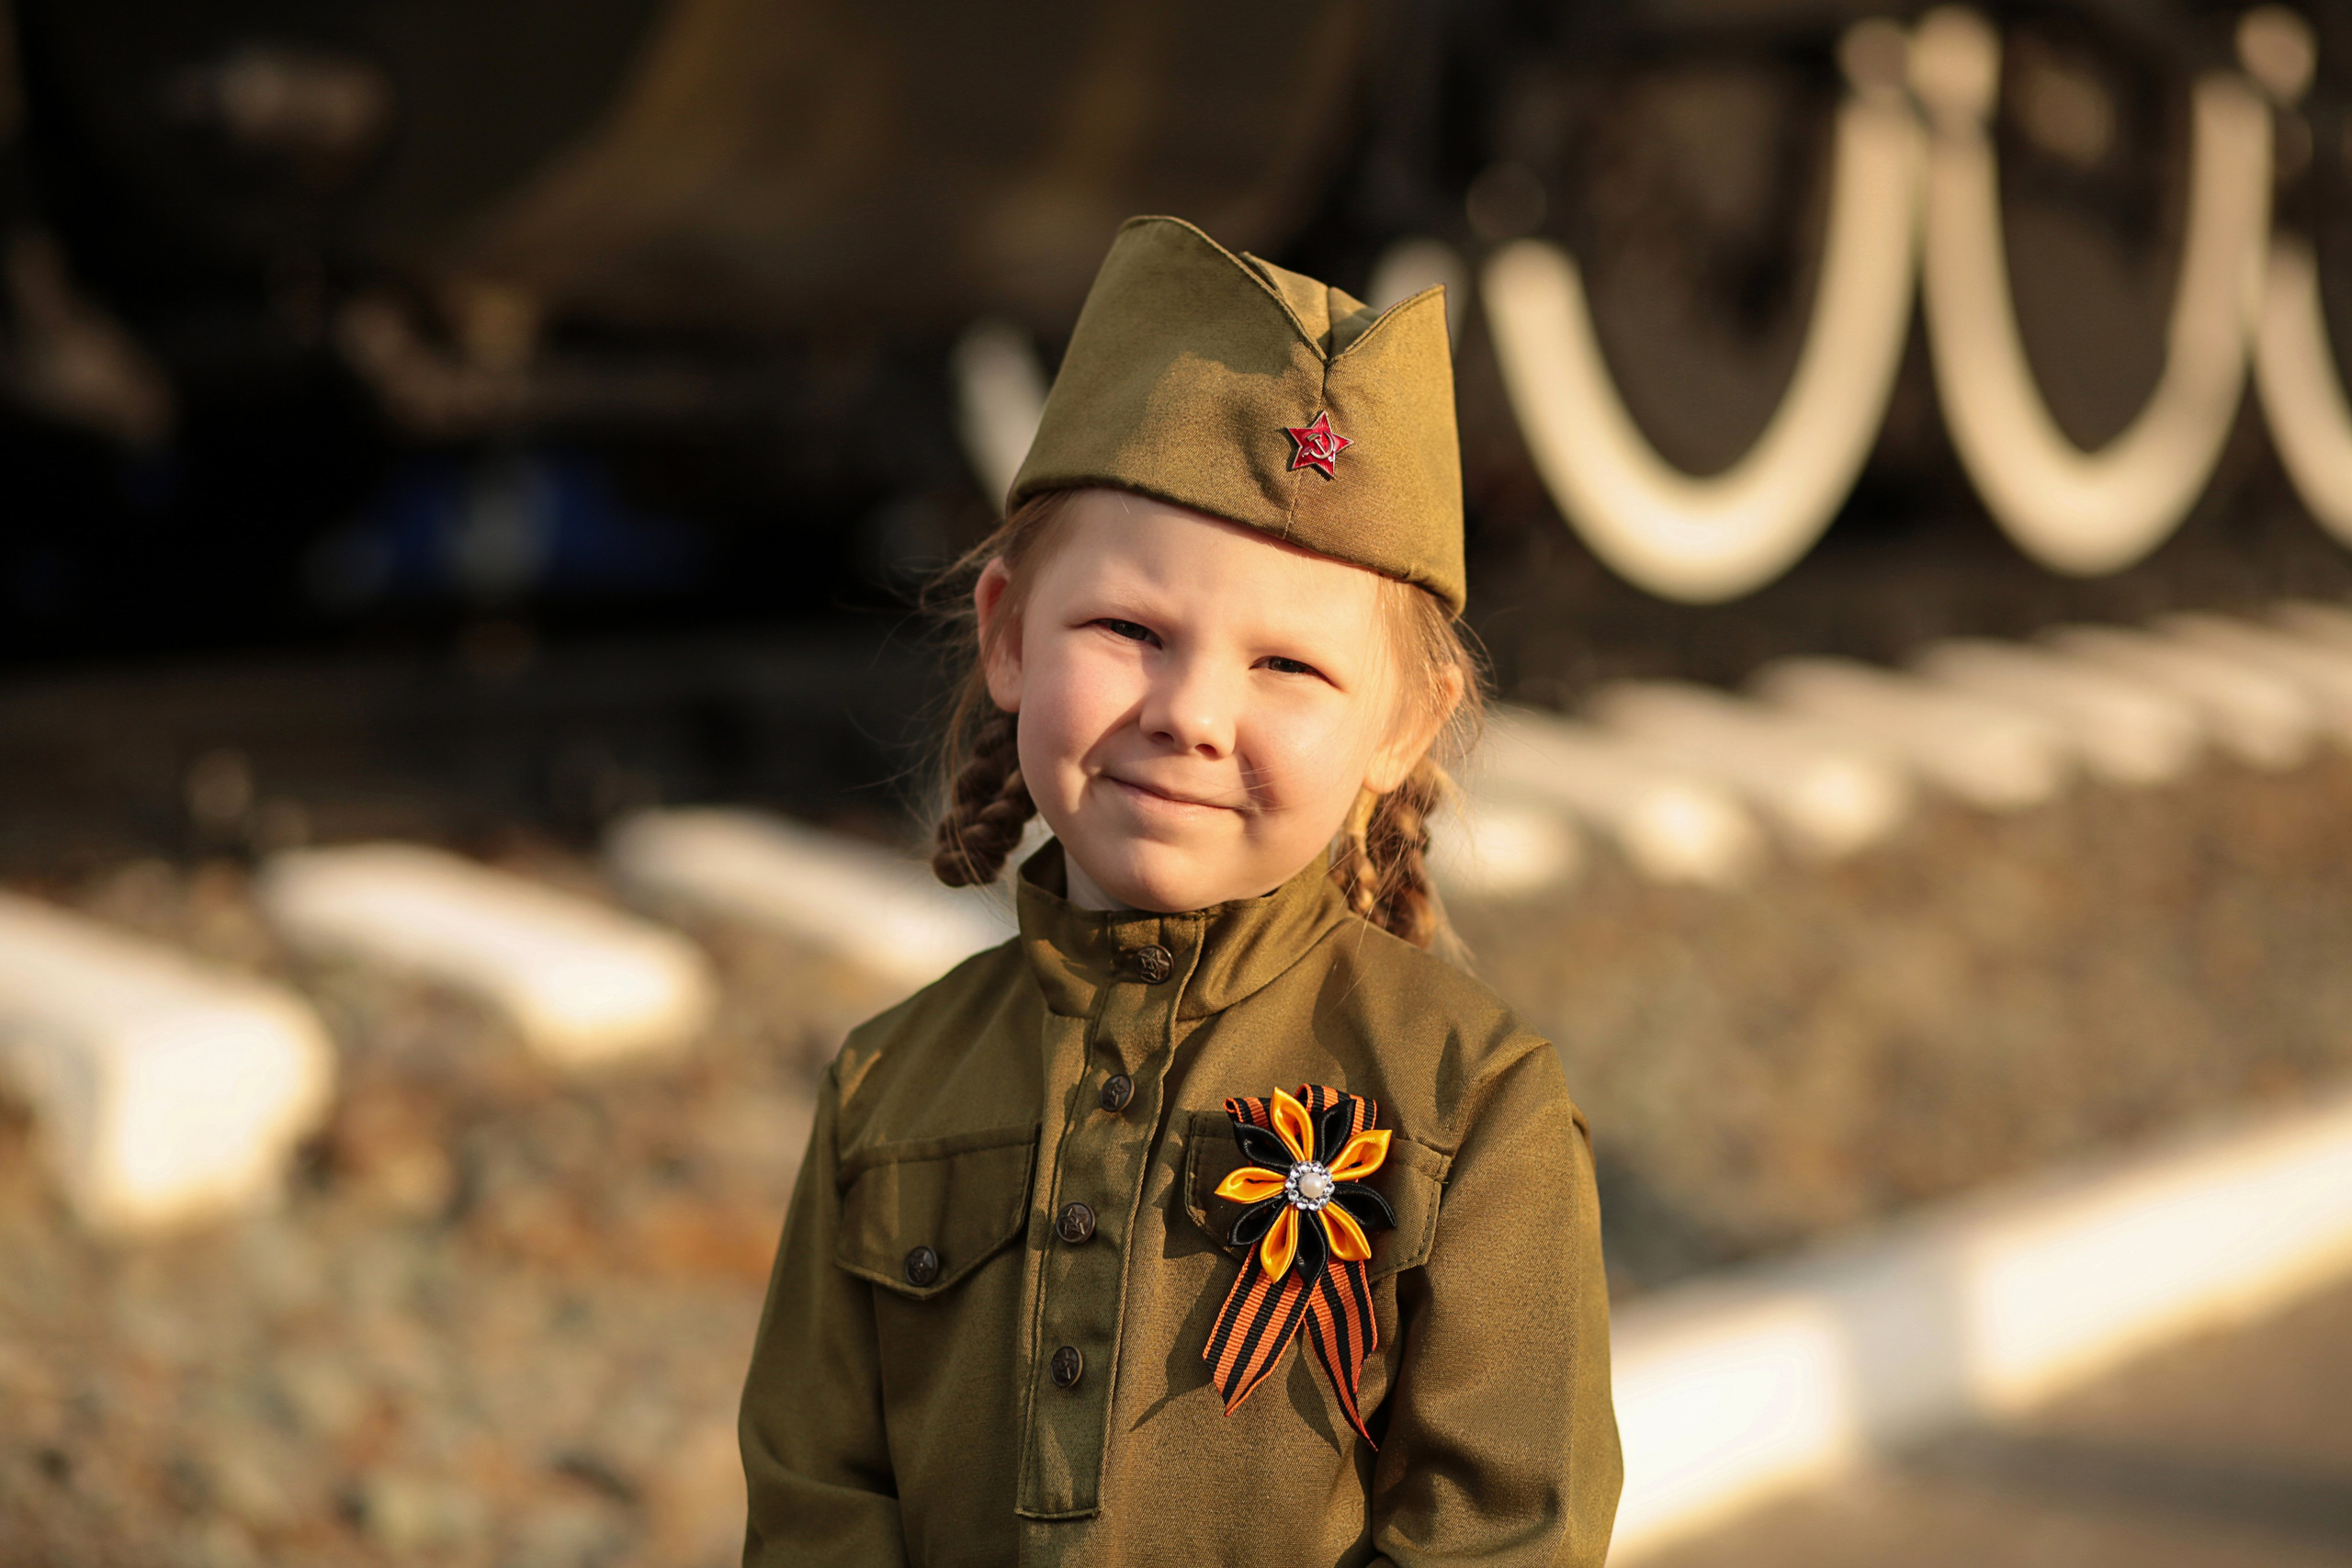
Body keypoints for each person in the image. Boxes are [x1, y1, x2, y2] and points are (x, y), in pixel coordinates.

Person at [739, 215, 1620, 1567]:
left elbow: (1503, 1533)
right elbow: (817, 1507)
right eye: (1131, 631)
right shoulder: (886, 1088)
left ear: (1402, 725)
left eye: (1290, 667)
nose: (1195, 715)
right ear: (1009, 634)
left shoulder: (1475, 1106)